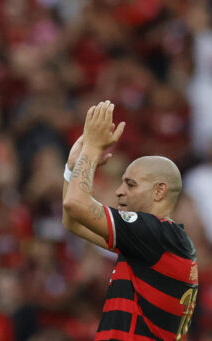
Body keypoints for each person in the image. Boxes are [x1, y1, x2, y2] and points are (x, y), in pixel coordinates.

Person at [62, 100, 198, 341]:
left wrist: (91, 150)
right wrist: (73, 168)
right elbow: (72, 221)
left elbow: (76, 204)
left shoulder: (156, 233)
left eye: (130, 184)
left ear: (159, 191)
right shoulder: (154, 243)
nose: (118, 191)